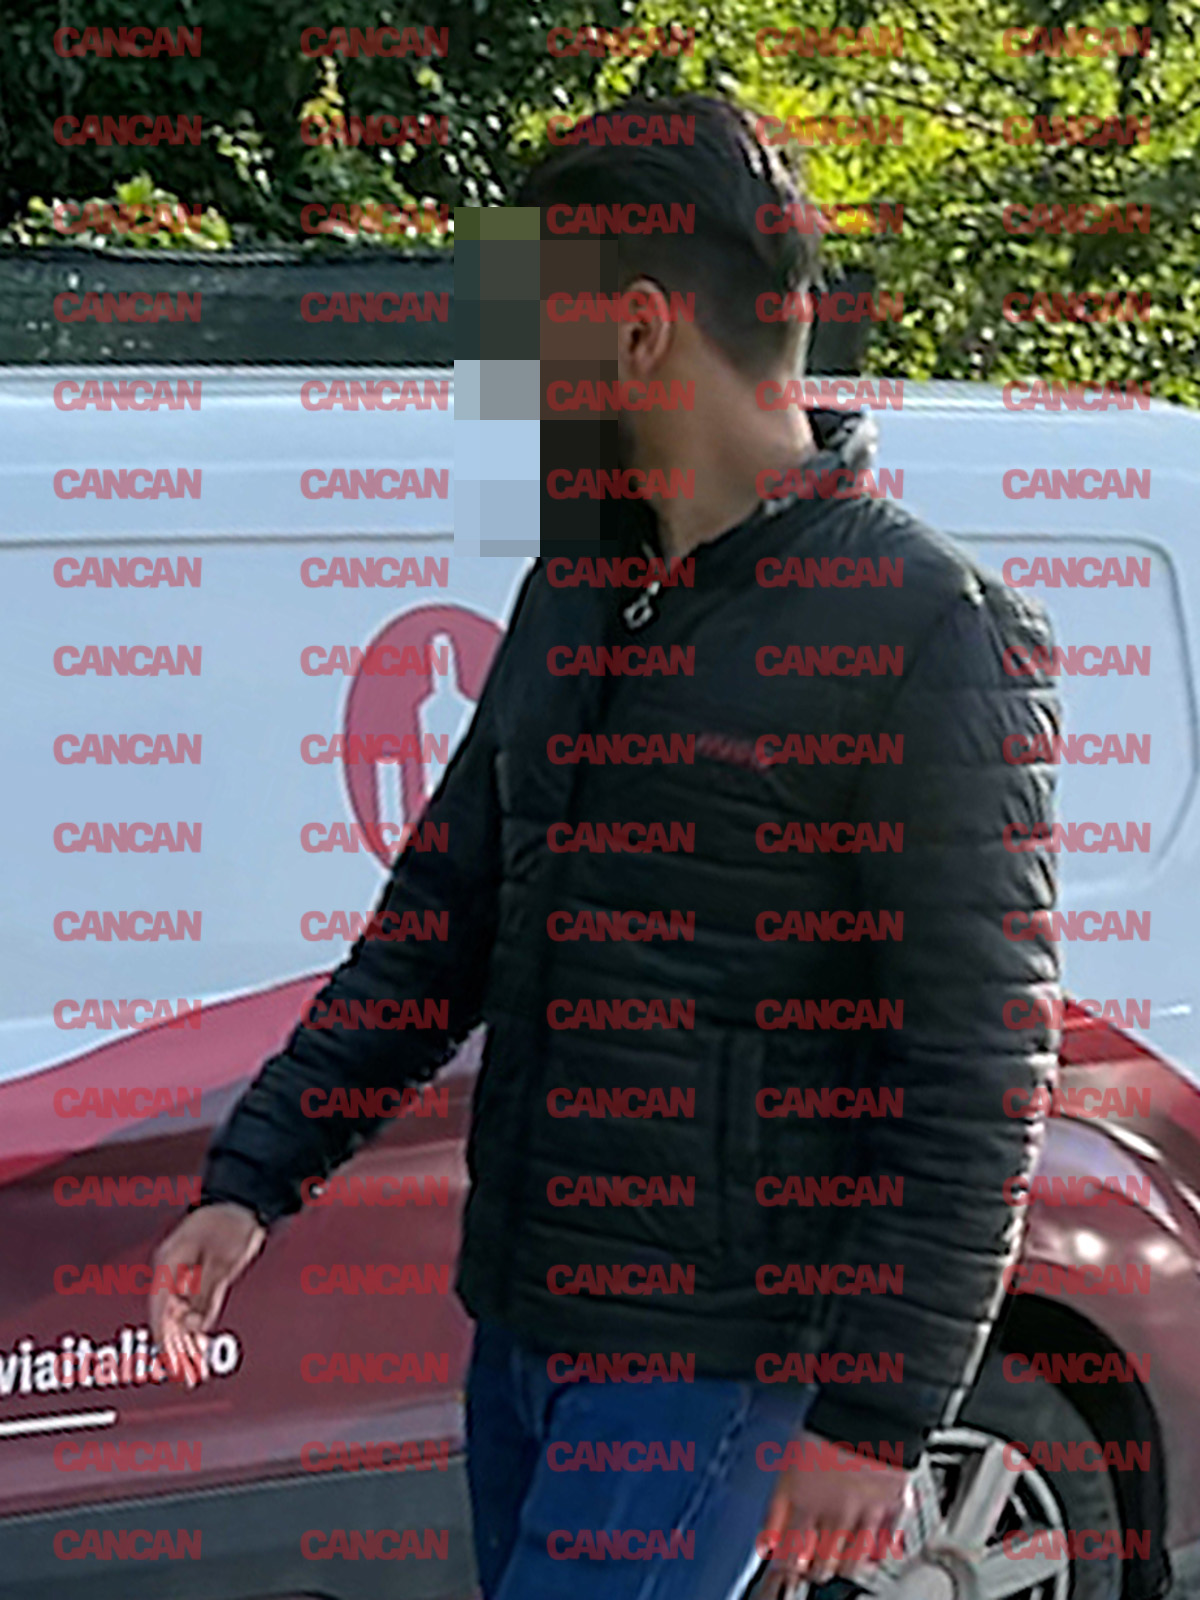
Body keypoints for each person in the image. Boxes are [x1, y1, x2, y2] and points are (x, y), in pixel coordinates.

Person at [149, 93, 1062, 1600]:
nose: (508, 391)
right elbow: (436, 925)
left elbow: (978, 1064)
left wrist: (880, 1411)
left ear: (636, 332)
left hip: (712, 1358)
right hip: (521, 1323)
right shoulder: (572, 587)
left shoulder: (928, 629)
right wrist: (254, 1176)